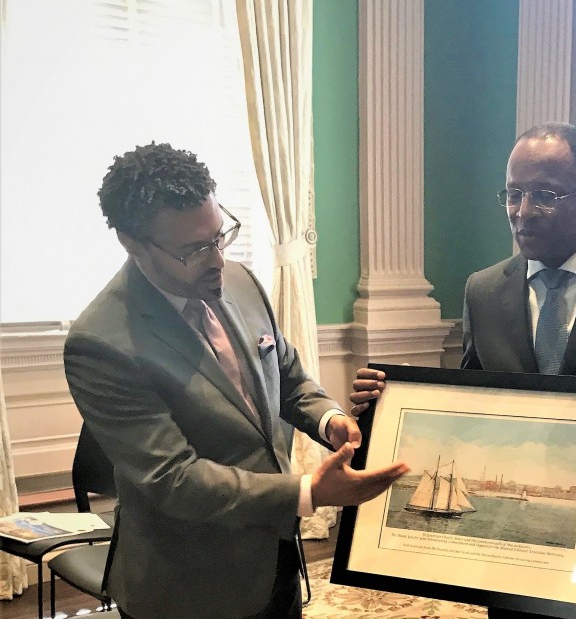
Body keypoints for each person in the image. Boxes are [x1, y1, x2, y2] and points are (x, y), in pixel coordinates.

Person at [352, 122, 576, 618]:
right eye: (513, 194)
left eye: (546, 195)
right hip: (507, 562)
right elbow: (470, 400)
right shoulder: (483, 290)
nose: (523, 212)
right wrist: (385, 403)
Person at [63, 142, 409, 619]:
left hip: (276, 560)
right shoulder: (101, 343)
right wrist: (309, 493)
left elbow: (286, 375)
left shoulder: (241, 281)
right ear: (132, 244)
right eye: (192, 250)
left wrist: (328, 420)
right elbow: (174, 480)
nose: (216, 260)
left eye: (219, 235)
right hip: (188, 585)